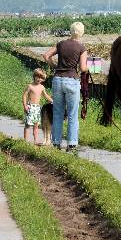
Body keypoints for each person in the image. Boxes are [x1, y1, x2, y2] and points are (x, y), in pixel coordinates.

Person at [43, 22, 88, 152]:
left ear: (70, 31)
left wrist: (55, 66)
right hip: (72, 81)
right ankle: (72, 144)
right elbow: (83, 68)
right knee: (72, 114)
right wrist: (90, 68)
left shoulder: (61, 44)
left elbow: (46, 56)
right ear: (81, 32)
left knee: (57, 113)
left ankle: (56, 143)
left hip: (57, 80)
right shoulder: (81, 47)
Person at [22, 68, 53, 145]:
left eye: (41, 78)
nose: (39, 79)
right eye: (38, 77)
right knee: (28, 125)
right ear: (34, 76)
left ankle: (35, 141)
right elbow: (24, 96)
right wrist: (25, 105)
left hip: (37, 108)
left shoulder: (42, 87)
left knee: (36, 125)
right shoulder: (30, 86)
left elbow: (46, 96)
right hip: (30, 107)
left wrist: (52, 101)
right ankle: (25, 141)